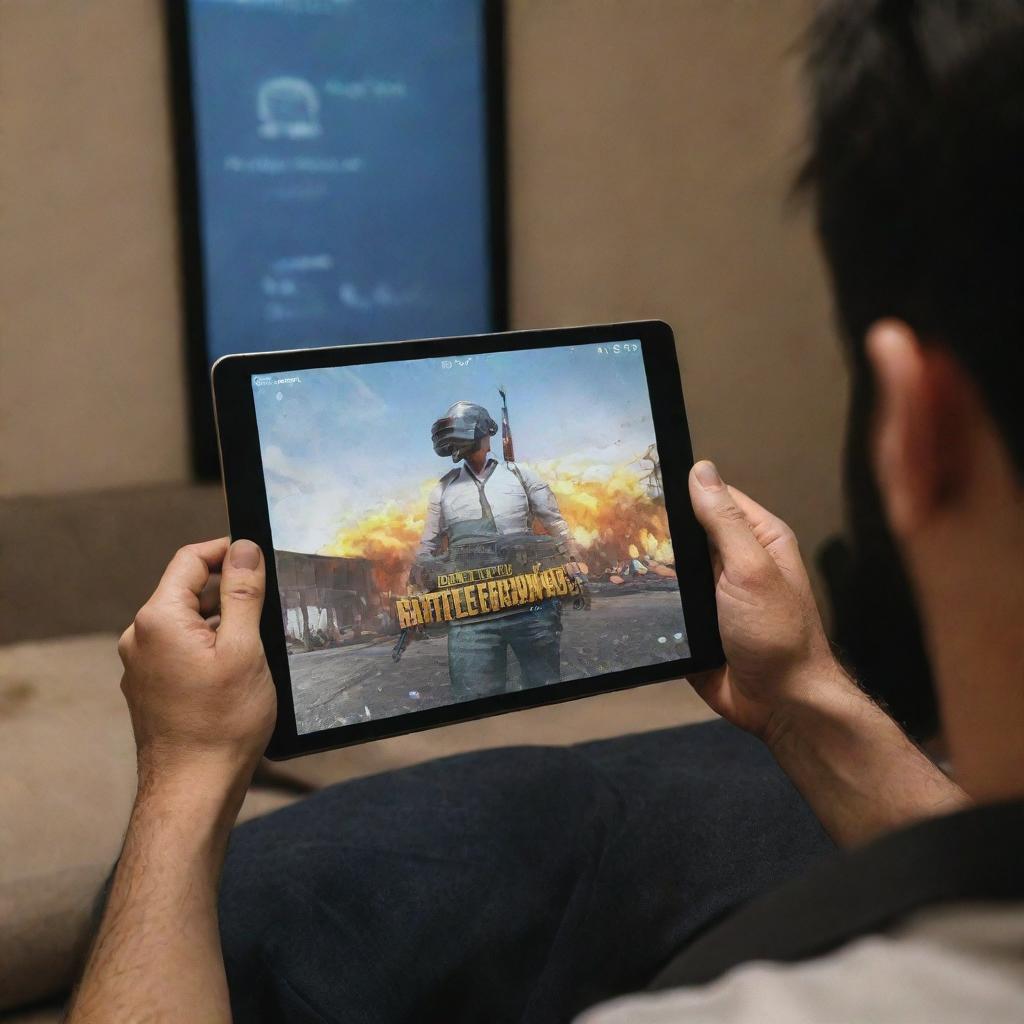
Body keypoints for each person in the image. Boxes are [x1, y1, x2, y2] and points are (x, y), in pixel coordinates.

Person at [67, 1, 1024, 1021]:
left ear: (912, 426)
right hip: (476, 619)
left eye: (462, 440)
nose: (458, 454)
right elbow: (429, 556)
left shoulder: (524, 478)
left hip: (530, 610)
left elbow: (562, 536)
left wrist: (182, 777)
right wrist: (797, 690)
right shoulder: (442, 497)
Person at [412, 399, 581, 697]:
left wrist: (573, 561)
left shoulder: (520, 475)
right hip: (472, 611)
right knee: (473, 695)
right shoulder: (444, 488)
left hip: (530, 600)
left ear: (483, 433)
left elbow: (556, 524)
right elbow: (427, 546)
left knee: (545, 688)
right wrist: (420, 581)